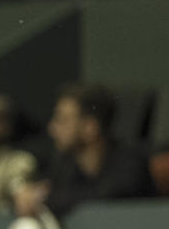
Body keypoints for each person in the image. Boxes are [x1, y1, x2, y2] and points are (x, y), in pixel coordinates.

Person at [15, 83, 155, 218]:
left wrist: (44, 198)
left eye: (63, 120)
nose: (52, 128)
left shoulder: (131, 162)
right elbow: (52, 190)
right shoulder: (64, 165)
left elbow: (104, 196)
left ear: (90, 128)